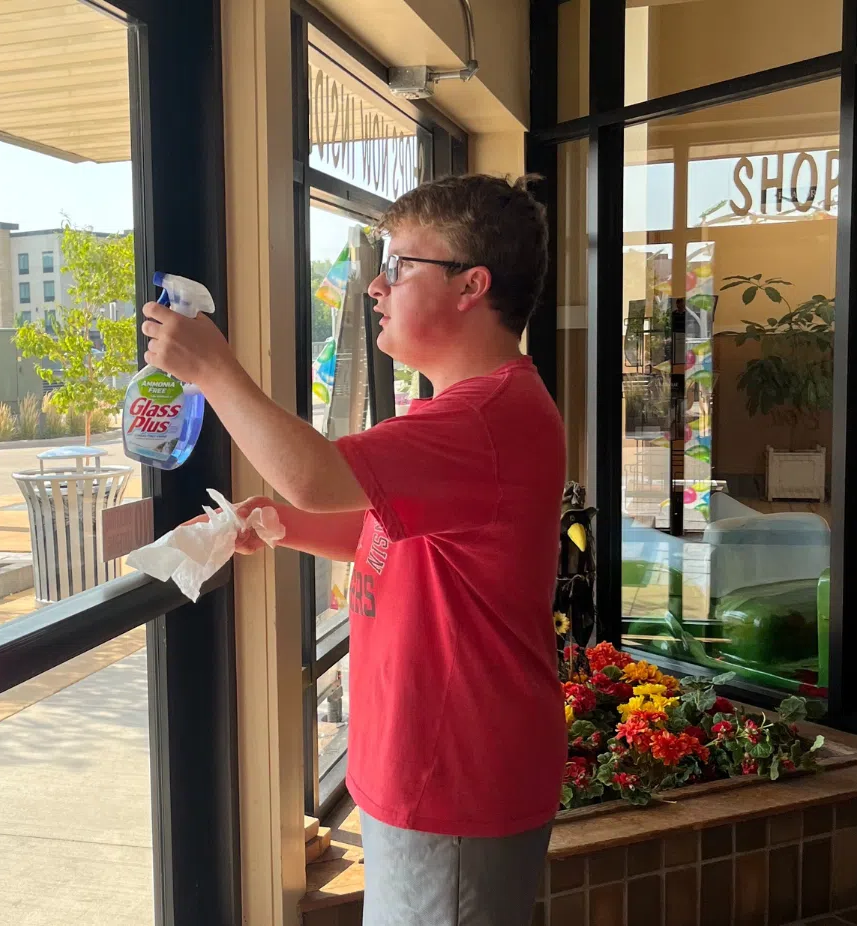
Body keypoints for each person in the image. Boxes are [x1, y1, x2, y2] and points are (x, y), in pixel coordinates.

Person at [142, 174, 565, 926]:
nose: (375, 284)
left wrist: (210, 369)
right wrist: (279, 523)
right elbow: (394, 533)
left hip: (454, 781)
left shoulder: (487, 415)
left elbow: (312, 474)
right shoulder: (477, 407)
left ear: (472, 285)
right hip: (430, 768)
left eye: (400, 265)